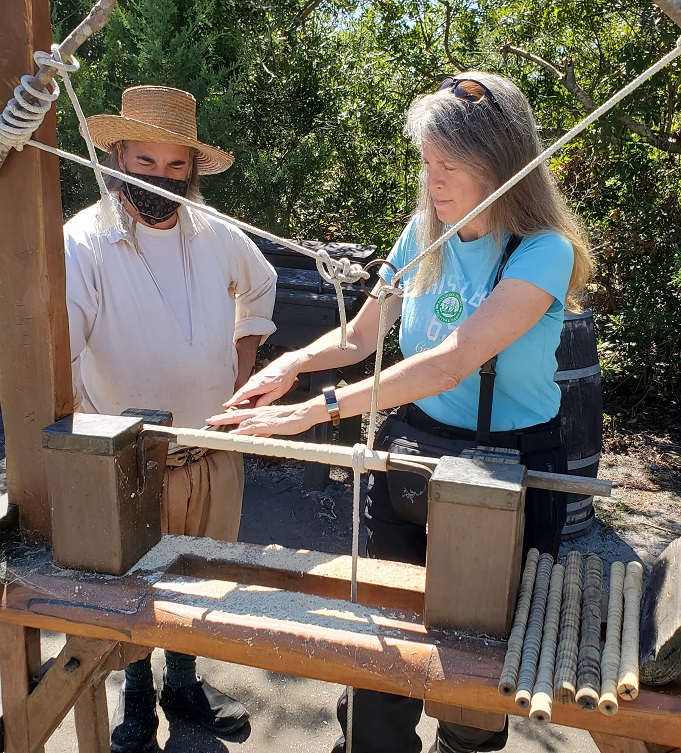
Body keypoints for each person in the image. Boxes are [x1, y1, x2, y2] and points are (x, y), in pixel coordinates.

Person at [206, 71, 592, 753]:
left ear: (501, 164)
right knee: (381, 631)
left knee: (473, 654)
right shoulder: (424, 231)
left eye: (451, 165)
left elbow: (450, 360)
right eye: (426, 162)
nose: (433, 180)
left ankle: (461, 742)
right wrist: (287, 365)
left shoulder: (543, 252)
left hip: (506, 469)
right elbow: (361, 336)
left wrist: (317, 410)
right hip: (407, 451)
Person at [64, 85, 277, 753]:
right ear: (116, 155)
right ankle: (135, 695)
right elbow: (60, 356)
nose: (159, 177)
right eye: (144, 160)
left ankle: (184, 682)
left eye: (174, 165)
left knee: (197, 580)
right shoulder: (82, 243)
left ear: (192, 168)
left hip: (211, 451)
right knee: (129, 586)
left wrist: (244, 367)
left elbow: (262, 285)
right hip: (125, 464)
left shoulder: (217, 234)